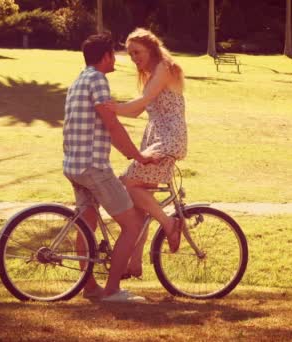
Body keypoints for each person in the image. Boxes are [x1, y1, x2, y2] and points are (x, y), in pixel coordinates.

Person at [63, 32, 155, 302]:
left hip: (74, 165)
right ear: (105, 57)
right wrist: (138, 156)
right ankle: (113, 290)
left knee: (86, 225)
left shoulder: (78, 81)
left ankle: (89, 287)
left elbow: (99, 127)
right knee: (132, 225)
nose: (116, 59)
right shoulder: (99, 81)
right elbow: (112, 125)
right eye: (113, 54)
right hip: (93, 168)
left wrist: (129, 153)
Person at [103, 28, 188, 279]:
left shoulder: (164, 67)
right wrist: (115, 109)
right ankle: (134, 264)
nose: (134, 58)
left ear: (150, 48)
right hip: (156, 136)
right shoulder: (151, 73)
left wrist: (112, 108)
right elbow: (137, 111)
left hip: (168, 138)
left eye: (137, 52)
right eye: (130, 55)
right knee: (138, 207)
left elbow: (140, 103)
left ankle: (170, 223)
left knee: (128, 182)